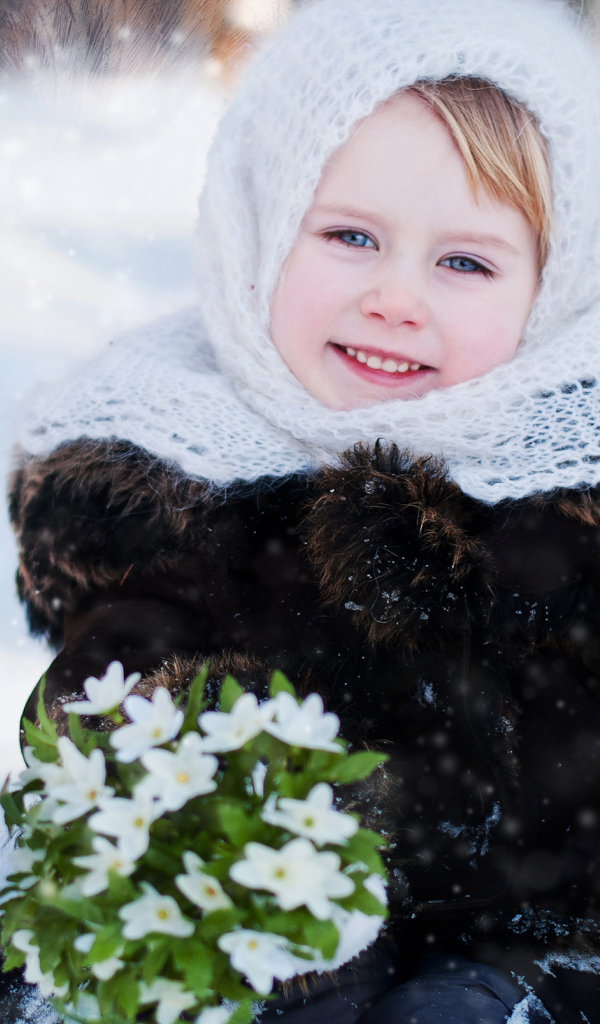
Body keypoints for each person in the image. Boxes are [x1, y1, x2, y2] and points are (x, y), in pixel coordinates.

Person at [3, 0, 600, 1020]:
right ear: (260, 229)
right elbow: (111, 666)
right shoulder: (166, 469)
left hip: (538, 943)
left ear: (555, 287)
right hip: (254, 911)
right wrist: (154, 720)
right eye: (350, 236)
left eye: (464, 261)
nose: (395, 297)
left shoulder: (570, 505)